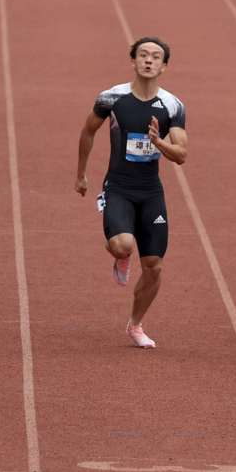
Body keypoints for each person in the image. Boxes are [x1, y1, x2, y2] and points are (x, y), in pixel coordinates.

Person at [74, 37, 188, 349]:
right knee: (122, 244)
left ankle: (135, 324)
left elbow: (181, 154)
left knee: (154, 266)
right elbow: (88, 131)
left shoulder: (172, 106)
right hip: (119, 186)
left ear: (164, 66)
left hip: (151, 191)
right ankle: (121, 256)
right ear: (133, 61)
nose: (149, 60)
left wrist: (159, 142)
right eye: (143, 55)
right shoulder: (112, 98)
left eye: (156, 57)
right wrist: (82, 173)